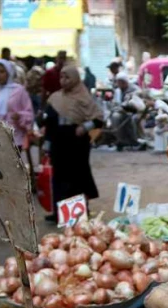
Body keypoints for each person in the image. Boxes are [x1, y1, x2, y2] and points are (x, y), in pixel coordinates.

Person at [43, 66, 104, 221]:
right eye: (61, 77)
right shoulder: (55, 98)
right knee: (59, 177)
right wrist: (47, 143)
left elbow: (98, 119)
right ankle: (59, 213)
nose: (63, 80)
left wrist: (85, 127)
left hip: (77, 143)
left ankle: (78, 212)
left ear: (76, 78)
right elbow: (49, 123)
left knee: (78, 176)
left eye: (67, 77)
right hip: (59, 141)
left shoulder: (84, 97)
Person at [111, 72, 144, 150]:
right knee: (115, 117)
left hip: (134, 111)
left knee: (131, 119)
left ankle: (134, 141)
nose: (119, 84)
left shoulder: (134, 88)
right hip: (121, 110)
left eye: (121, 82)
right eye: (118, 82)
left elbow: (139, 97)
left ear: (125, 82)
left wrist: (131, 96)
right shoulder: (117, 91)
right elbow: (115, 103)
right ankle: (121, 140)